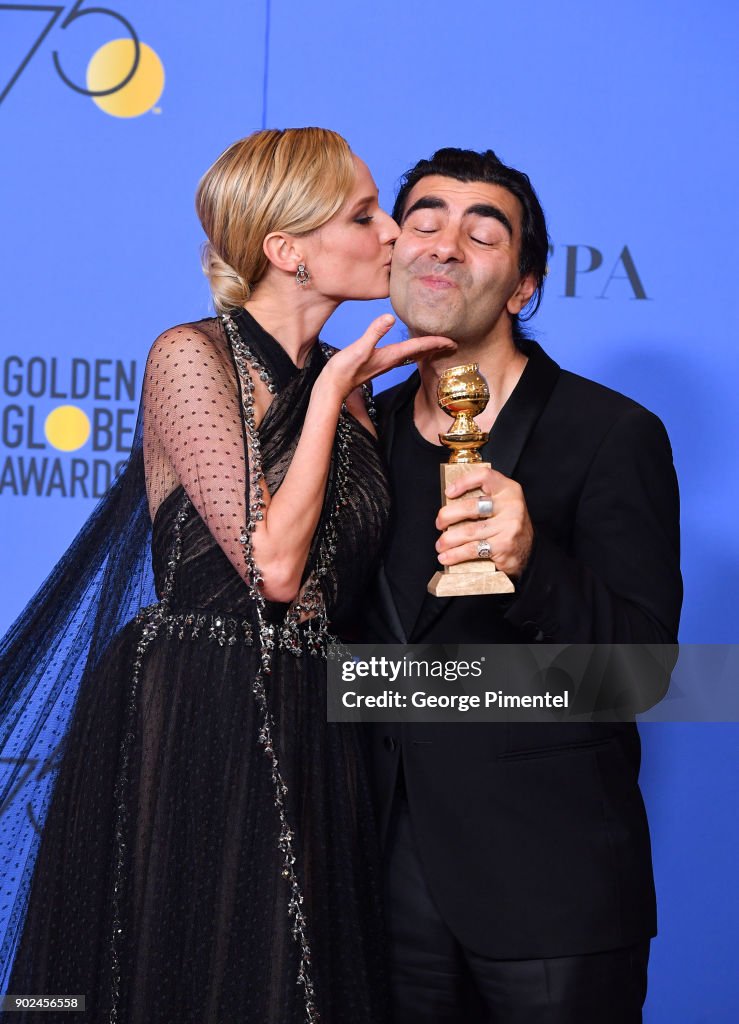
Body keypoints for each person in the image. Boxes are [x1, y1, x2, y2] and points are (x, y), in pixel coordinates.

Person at [0, 127, 455, 1023]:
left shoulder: (353, 384)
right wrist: (328, 397)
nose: (395, 234)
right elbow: (273, 567)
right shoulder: (191, 356)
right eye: (365, 216)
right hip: (200, 703)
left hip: (319, 719)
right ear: (285, 250)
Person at [363, 148, 683, 1023]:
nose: (443, 244)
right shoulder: (353, 430)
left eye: (481, 231)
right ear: (391, 253)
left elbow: (644, 675)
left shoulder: (610, 433)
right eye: (423, 221)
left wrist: (533, 565)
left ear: (522, 288)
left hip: (551, 890)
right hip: (370, 887)